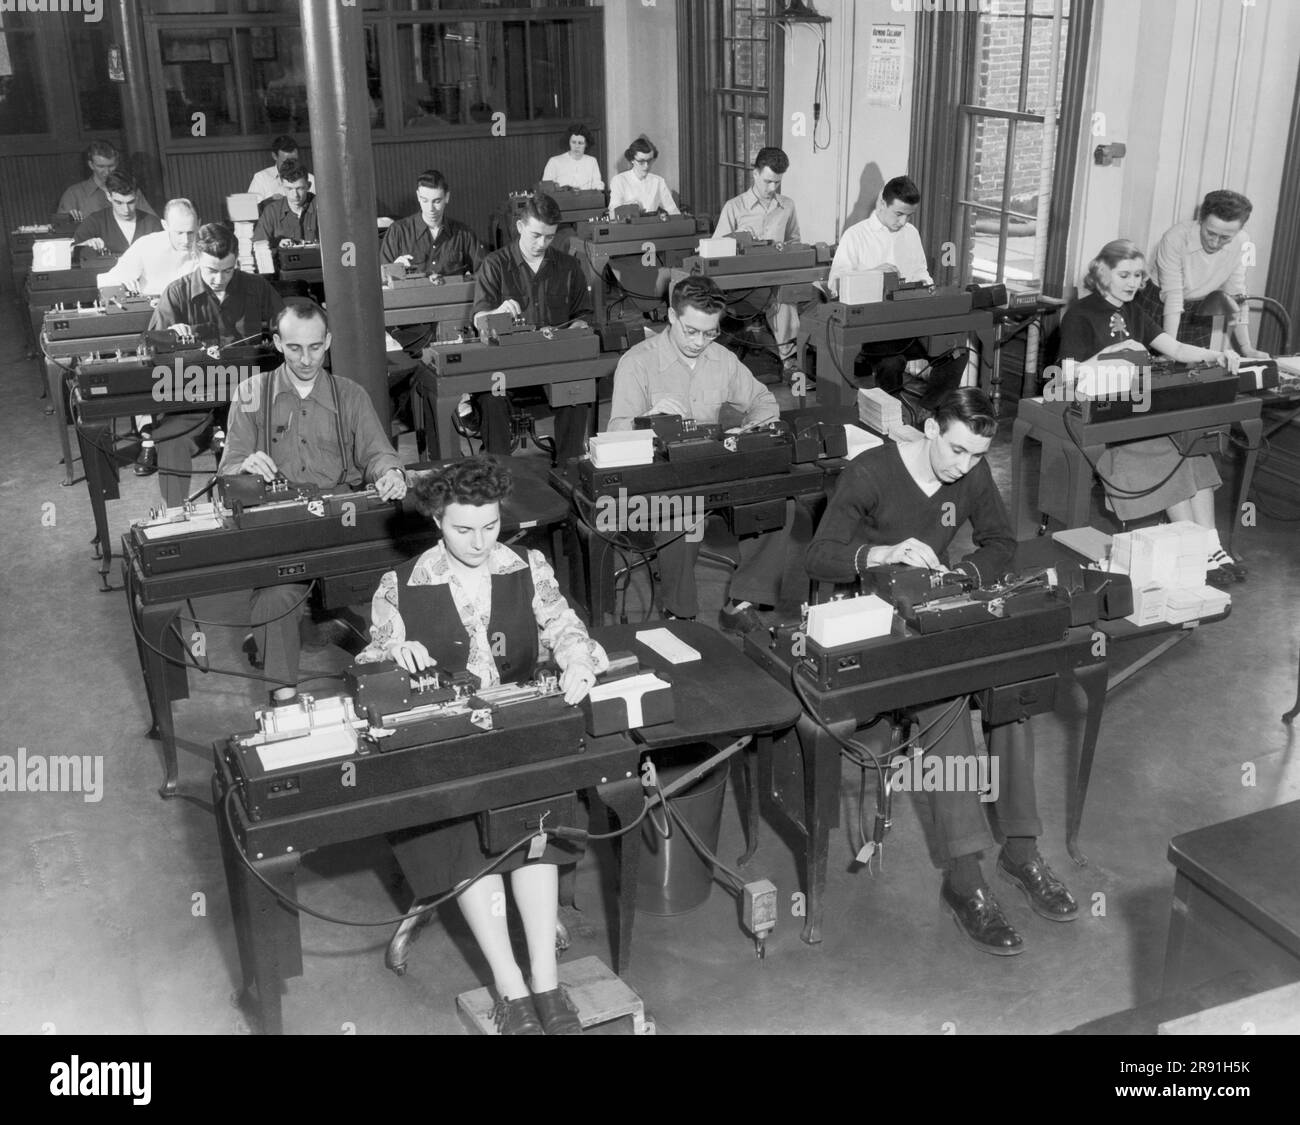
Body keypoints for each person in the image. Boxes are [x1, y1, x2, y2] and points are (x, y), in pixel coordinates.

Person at [807, 387, 1077, 956]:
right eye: (956, 450)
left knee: (1012, 697)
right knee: (946, 705)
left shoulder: (970, 475)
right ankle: (965, 877)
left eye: (977, 455)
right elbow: (820, 555)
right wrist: (882, 555)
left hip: (939, 608)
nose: (965, 467)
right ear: (930, 427)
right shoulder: (870, 472)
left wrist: (964, 578)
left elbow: (1002, 541)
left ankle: (1022, 850)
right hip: (875, 623)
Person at [358, 456, 605, 1035]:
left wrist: (576, 661)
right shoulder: (400, 586)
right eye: (463, 529)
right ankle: (511, 987)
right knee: (470, 842)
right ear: (437, 521)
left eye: (491, 527)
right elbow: (369, 665)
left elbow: (565, 625)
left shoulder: (528, 565)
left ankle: (546, 978)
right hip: (447, 743)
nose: (479, 542)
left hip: (518, 728)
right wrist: (395, 659)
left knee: (537, 825)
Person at [220, 301, 407, 693]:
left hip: (341, 521)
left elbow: (378, 452)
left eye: (315, 347)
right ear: (276, 343)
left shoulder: (350, 395)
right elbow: (227, 471)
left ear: (329, 342)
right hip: (279, 524)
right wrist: (244, 467)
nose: (306, 359)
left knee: (406, 570)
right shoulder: (250, 394)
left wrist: (390, 473)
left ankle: (401, 690)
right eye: (294, 348)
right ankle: (284, 700)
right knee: (274, 597)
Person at [1054, 239, 1246, 585]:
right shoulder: (1079, 314)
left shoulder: (1132, 310)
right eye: (1124, 274)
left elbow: (1172, 347)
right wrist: (1112, 352)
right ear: (1102, 272)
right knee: (1166, 454)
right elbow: (1066, 376)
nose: (1132, 282)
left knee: (1194, 449)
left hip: (1137, 408)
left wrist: (1213, 355)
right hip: (1102, 414)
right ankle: (1195, 550)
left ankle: (1210, 547)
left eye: (1138, 275)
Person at [608, 276, 789, 632]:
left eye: (710, 333)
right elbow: (615, 435)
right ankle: (681, 615)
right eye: (691, 331)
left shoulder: (720, 359)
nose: (699, 342)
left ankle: (742, 602)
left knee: (778, 501)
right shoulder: (637, 363)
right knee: (682, 517)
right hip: (658, 480)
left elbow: (764, 401)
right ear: (672, 317)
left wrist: (748, 428)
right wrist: (647, 419)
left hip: (710, 466)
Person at [144, 222, 284, 501]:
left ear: (237, 261)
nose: (220, 279)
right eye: (211, 271)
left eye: (228, 270)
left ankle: (252, 515)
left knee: (269, 434)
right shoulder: (176, 293)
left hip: (248, 396)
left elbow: (287, 327)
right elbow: (152, 352)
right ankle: (176, 516)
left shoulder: (257, 287)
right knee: (170, 441)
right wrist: (170, 337)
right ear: (197, 259)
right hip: (194, 397)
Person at [469, 192, 593, 462]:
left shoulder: (569, 267)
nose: (542, 243)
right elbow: (479, 319)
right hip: (506, 371)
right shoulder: (495, 265)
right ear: (520, 227)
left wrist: (580, 326)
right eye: (536, 235)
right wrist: (494, 314)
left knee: (576, 389)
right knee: (491, 397)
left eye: (549, 237)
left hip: (554, 366)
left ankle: (570, 469)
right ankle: (498, 476)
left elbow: (584, 315)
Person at [825, 175, 963, 399]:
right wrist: (873, 274)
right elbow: (835, 284)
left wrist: (929, 289)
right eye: (898, 214)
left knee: (956, 353)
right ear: (882, 204)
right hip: (871, 331)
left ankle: (932, 411)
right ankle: (890, 421)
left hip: (907, 323)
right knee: (891, 364)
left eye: (909, 215)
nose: (904, 222)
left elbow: (920, 272)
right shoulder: (855, 236)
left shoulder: (911, 234)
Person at [1137, 190, 1268, 356]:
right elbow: (1173, 295)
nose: (1214, 242)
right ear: (1201, 219)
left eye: (1225, 237)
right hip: (1160, 304)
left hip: (1200, 309)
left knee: (1194, 374)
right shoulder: (1175, 237)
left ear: (1240, 230)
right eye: (1210, 233)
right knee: (1147, 374)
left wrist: (1246, 348)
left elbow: (1237, 295)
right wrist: (1169, 351)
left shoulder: (1243, 243)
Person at [713, 146, 803, 384]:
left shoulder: (787, 206)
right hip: (739, 287)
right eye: (767, 181)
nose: (772, 188)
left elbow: (795, 243)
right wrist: (737, 240)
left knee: (785, 299)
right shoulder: (734, 207)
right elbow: (714, 251)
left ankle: (790, 362)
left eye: (777, 182)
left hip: (772, 281)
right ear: (754, 174)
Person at [380, 169, 485, 353]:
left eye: (437, 201)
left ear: (447, 197)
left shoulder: (464, 234)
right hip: (408, 327)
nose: (431, 208)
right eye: (425, 200)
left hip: (454, 323)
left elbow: (485, 276)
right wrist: (395, 271)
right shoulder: (398, 232)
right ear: (418, 197)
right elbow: (379, 284)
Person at [96, 198, 199, 297]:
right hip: (153, 310)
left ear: (198, 224)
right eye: (179, 233)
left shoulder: (206, 246)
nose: (186, 240)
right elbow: (108, 279)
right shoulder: (146, 245)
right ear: (165, 225)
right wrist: (121, 280)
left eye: (191, 232)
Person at [57, 141, 157, 222]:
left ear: (117, 163)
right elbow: (61, 228)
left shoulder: (130, 189)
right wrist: (69, 220)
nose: (107, 172)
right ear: (91, 165)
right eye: (101, 166)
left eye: (111, 166)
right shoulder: (73, 194)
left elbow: (152, 221)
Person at [72, 171, 163, 255]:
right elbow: (69, 252)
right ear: (109, 196)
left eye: (130, 202)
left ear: (137, 196)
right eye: (119, 203)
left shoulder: (153, 223)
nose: (126, 210)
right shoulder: (94, 222)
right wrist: (84, 244)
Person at [252, 158, 318, 245]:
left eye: (299, 188)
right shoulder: (271, 211)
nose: (295, 195)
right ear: (282, 186)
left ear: (308, 186)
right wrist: (276, 244)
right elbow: (258, 245)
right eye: (289, 189)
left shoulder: (321, 207)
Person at [608, 138, 679, 215]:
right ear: (632, 159)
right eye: (641, 161)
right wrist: (630, 207)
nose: (646, 166)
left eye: (649, 161)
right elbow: (613, 210)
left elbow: (673, 211)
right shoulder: (619, 180)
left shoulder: (658, 181)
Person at [247, 134, 317, 202]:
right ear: (274, 156)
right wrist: (269, 202)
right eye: (286, 162)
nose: (290, 165)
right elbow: (252, 209)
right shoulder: (261, 178)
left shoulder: (311, 180)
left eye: (294, 160)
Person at [540, 123, 604, 191]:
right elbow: (546, 188)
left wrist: (598, 187)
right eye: (573, 142)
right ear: (569, 142)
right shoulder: (554, 161)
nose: (576, 146)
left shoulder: (592, 161)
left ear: (586, 144)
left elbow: (598, 185)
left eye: (580, 143)